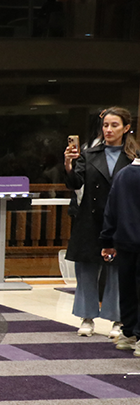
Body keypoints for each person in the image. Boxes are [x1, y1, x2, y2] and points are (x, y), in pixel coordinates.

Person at [64, 107, 137, 340]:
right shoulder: (89, 154)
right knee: (86, 269)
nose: (108, 130)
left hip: (121, 218)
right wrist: (68, 164)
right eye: (105, 125)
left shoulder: (134, 157)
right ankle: (86, 317)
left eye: (114, 125)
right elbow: (75, 182)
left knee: (118, 271)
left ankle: (118, 319)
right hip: (90, 218)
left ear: (126, 128)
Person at [100, 156, 140, 354]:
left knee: (128, 289)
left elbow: (111, 210)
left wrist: (107, 241)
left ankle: (128, 333)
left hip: (124, 240)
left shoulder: (122, 175)